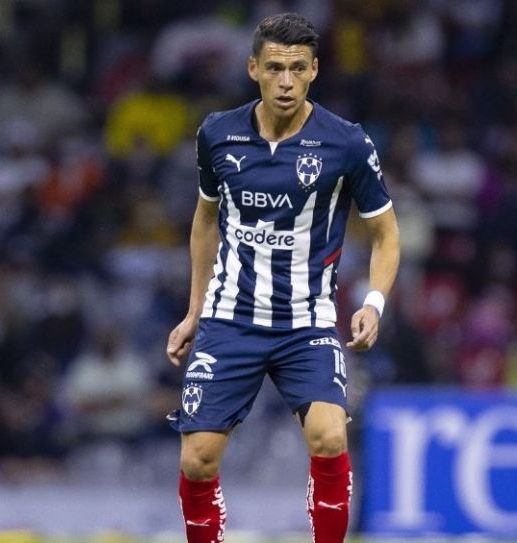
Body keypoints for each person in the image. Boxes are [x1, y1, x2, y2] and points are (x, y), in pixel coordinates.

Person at [165, 13, 400, 543]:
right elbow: (205, 220)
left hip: (307, 322)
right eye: (275, 68)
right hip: (230, 319)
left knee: (330, 437)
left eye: (298, 68)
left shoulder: (346, 143)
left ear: (315, 69)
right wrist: (194, 309)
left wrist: (373, 303)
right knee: (198, 459)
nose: (286, 81)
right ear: (253, 69)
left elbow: (387, 235)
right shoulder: (217, 134)